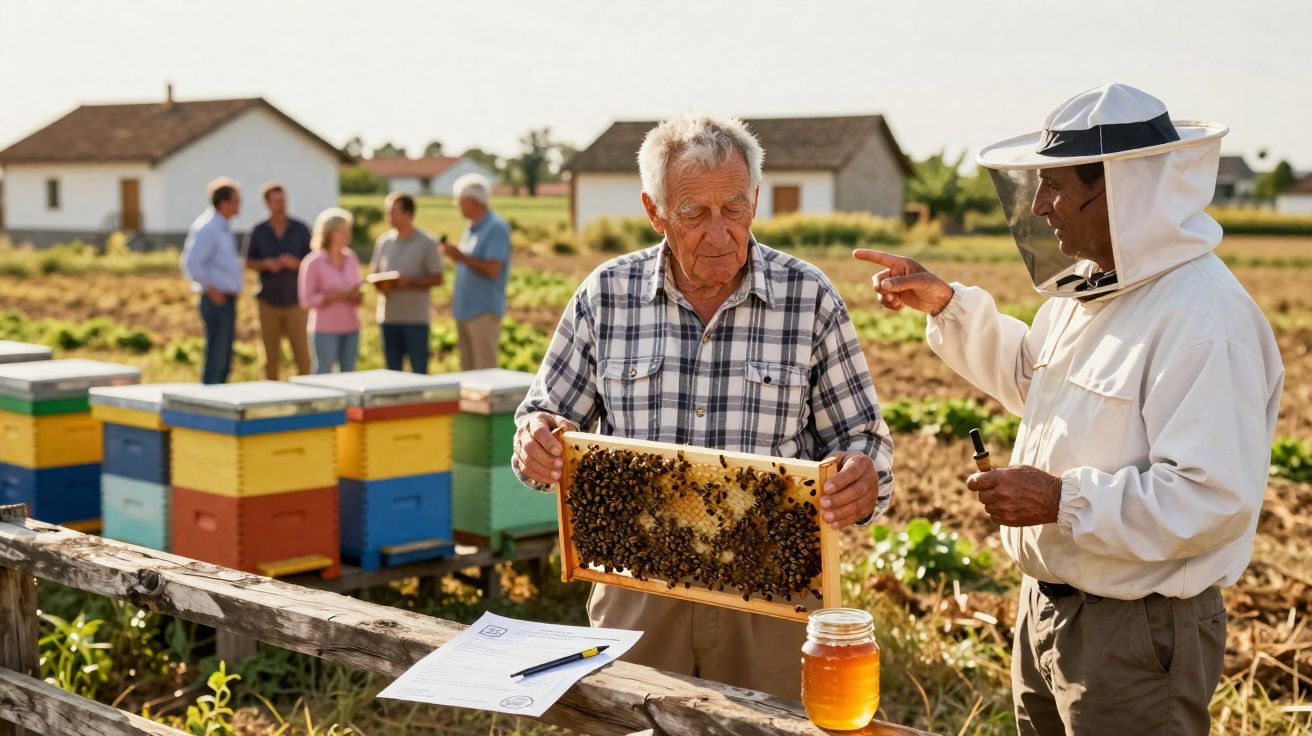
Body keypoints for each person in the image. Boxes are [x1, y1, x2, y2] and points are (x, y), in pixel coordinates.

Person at [854, 84, 1284, 734]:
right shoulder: (1088, 292)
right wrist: (947, 305)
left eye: (1054, 187)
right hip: (1047, 609)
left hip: (1136, 633)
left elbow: (1212, 499)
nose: (1038, 206)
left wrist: (1061, 500)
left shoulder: (1204, 320)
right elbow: (1035, 381)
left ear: (1119, 191)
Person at [512, 114, 894, 699]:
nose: (719, 233)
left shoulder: (809, 297)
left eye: (734, 209)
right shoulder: (606, 295)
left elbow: (864, 439)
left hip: (772, 598)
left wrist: (864, 478)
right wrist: (536, 443)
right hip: (638, 592)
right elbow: (541, 418)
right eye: (693, 214)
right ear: (655, 211)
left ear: (755, 200)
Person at [440, 173, 510, 370]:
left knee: (484, 372)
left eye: (459, 200)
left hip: (483, 312)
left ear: (472, 201)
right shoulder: (471, 227)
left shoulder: (496, 227)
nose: (457, 205)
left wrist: (460, 256)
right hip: (465, 311)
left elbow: (492, 269)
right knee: (468, 373)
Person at [368, 193, 443, 373]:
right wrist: (382, 283)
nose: (389, 216)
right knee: (392, 372)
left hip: (415, 319)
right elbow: (373, 273)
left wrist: (410, 282)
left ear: (409, 214)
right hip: (388, 318)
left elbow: (437, 278)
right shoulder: (383, 241)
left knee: (419, 370)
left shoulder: (427, 242)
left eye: (393, 212)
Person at [245, 181, 313, 379]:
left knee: (302, 355)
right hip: (268, 301)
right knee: (270, 357)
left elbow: (313, 261)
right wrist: (266, 265)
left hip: (296, 301)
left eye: (283, 201)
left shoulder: (301, 229)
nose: (281, 206)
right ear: (267, 204)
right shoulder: (258, 230)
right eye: (277, 202)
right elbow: (249, 261)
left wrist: (295, 263)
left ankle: (306, 392)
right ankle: (271, 392)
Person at [180, 177, 244, 384]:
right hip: (216, 300)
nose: (240, 205)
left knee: (223, 356)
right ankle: (210, 397)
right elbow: (191, 264)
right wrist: (211, 290)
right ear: (224, 202)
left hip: (225, 299)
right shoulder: (209, 227)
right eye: (236, 200)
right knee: (217, 356)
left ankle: (219, 395)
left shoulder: (222, 226)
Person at [299, 208, 363, 374]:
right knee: (324, 373)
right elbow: (306, 300)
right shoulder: (313, 262)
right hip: (325, 329)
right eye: (344, 231)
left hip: (351, 327)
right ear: (331, 233)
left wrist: (357, 296)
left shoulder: (351, 258)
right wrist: (332, 296)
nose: (348, 235)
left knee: (349, 374)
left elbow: (358, 288)